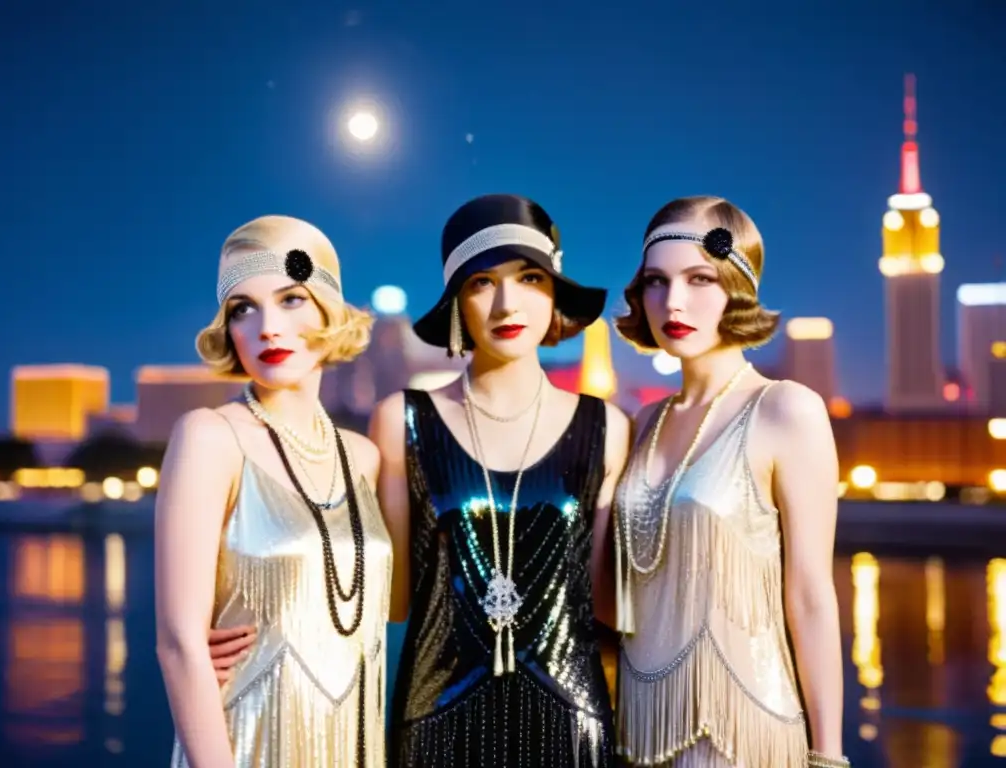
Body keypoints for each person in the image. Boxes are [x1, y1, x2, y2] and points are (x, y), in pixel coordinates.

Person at [370, 193, 630, 766]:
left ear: (553, 291)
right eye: (482, 282)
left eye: (530, 277)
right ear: (458, 302)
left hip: (571, 720)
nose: (507, 303)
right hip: (436, 718)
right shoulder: (401, 422)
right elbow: (386, 603)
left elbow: (610, 604)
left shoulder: (606, 428)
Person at [611, 196, 847, 767]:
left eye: (700, 279)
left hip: (745, 734)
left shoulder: (786, 410)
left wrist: (829, 755)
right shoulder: (642, 423)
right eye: (656, 282)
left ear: (738, 287)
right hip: (639, 728)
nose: (675, 302)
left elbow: (812, 595)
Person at [155, 215, 392, 768]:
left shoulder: (365, 457)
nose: (267, 327)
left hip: (354, 744)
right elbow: (178, 644)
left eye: (290, 299)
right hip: (245, 745)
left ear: (327, 307)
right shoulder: (209, 437)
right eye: (243, 308)